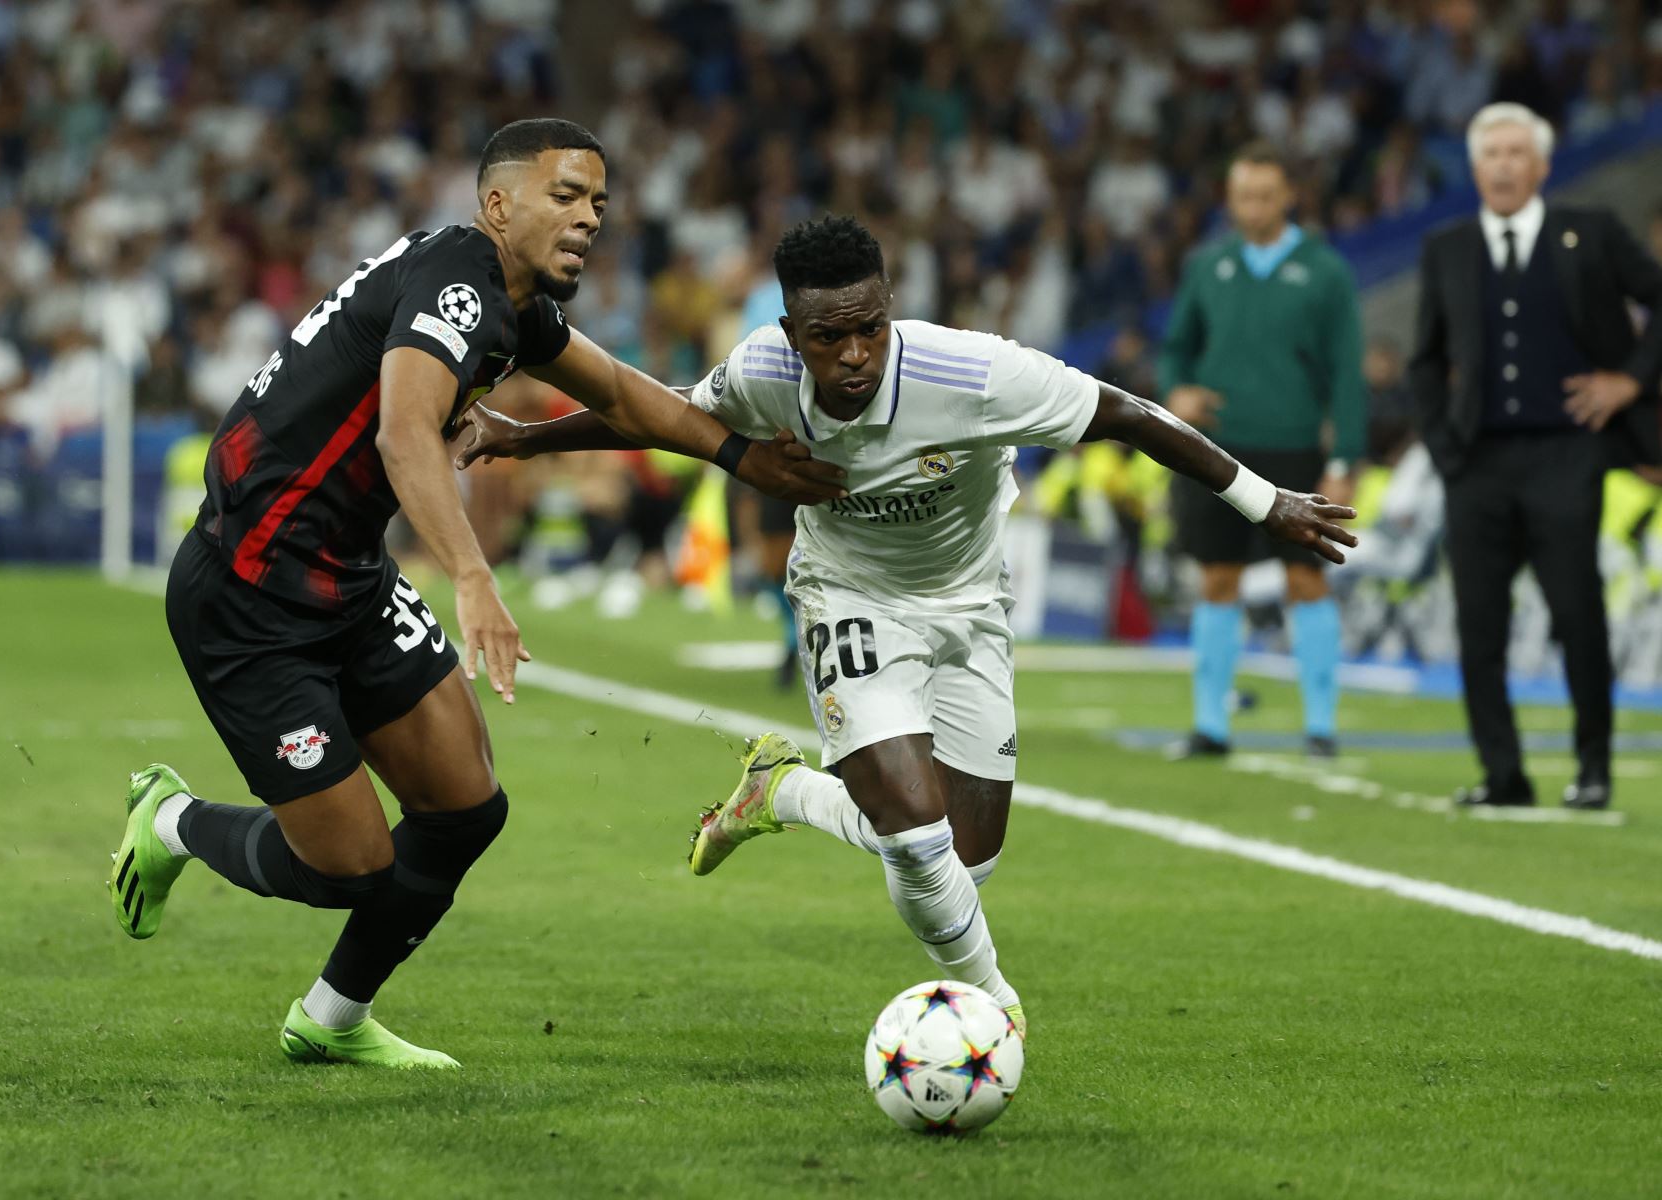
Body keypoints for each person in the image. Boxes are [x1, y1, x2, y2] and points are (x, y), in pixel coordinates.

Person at [456, 216, 1356, 1037]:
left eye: (870, 328)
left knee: (963, 866)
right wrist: (527, 438)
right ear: (789, 333)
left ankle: (784, 793)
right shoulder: (762, 374)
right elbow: (664, 418)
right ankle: (995, 1014)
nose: (854, 354)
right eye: (828, 336)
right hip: (847, 597)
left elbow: (1131, 416)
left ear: (891, 311)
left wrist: (1263, 500)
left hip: (971, 606)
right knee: (920, 846)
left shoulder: (973, 374)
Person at [106, 119, 846, 1070]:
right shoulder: (458, 279)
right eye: (565, 196)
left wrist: (742, 457)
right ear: (498, 205)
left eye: (600, 204)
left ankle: (329, 1020)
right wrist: (471, 576)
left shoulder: (513, 303)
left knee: (465, 809)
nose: (589, 219)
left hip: (347, 578)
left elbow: (622, 393)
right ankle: (169, 821)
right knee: (351, 867)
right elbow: (404, 434)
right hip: (251, 597)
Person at [1410, 102, 1662, 810]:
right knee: (1478, 623)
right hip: (1476, 462)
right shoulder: (1446, 246)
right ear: (1474, 166)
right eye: (1491, 153)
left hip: (1568, 455)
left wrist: (1631, 380)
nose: (1503, 165)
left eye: (1517, 153)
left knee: (1579, 613)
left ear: (1543, 166)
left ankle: (1594, 769)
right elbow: (1424, 361)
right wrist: (1442, 442)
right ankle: (1504, 774)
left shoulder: (1593, 232)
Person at [1157, 141, 1368, 761]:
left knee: (1307, 579)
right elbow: (1176, 346)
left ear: (1288, 197)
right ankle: (1210, 726)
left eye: (1264, 195)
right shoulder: (1208, 263)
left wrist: (1346, 457)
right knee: (1218, 578)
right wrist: (1177, 391)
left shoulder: (1325, 270)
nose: (1252, 207)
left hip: (1296, 447)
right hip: (1216, 450)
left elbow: (1347, 374)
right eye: (1242, 195)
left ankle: (1322, 727)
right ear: (1230, 197)